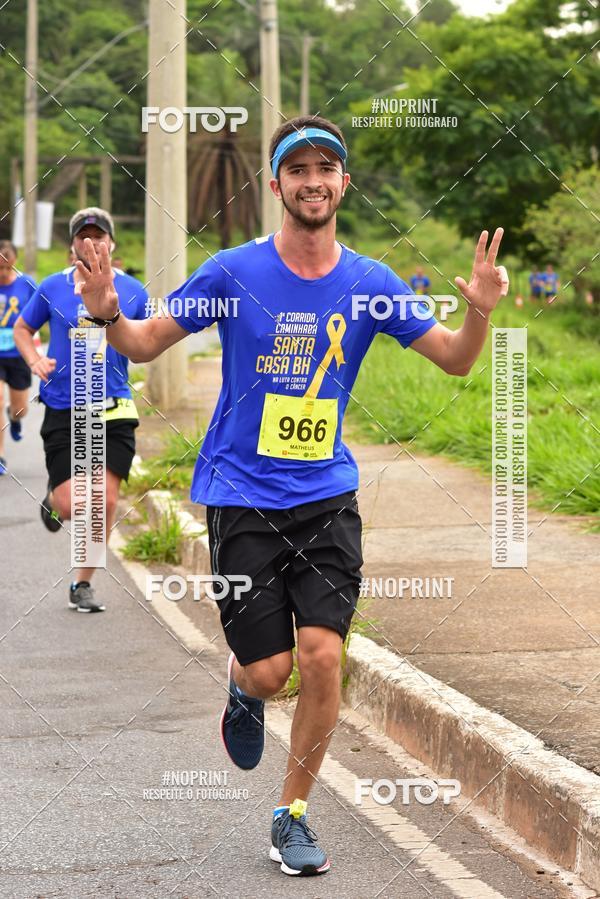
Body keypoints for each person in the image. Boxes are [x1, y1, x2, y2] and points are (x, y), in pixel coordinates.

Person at [72, 116, 507, 875]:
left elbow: (459, 362)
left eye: (325, 168)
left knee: (324, 655)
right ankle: (243, 686)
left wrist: (480, 308)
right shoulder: (233, 272)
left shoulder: (373, 283)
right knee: (272, 669)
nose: (313, 180)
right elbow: (141, 342)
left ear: (345, 183)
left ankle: (292, 813)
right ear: (276, 185)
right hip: (240, 493)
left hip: (327, 494)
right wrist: (109, 308)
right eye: (297, 169)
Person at [14, 207, 150, 612]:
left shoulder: (135, 290)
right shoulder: (52, 286)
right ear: (73, 244)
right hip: (62, 407)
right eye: (83, 236)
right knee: (72, 504)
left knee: (104, 501)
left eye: (99, 235)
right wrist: (34, 361)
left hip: (112, 408)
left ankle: (81, 584)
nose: (91, 243)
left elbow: (145, 341)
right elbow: (23, 329)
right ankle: (53, 501)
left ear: (112, 242)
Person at [0, 240, 37, 474]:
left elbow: (41, 313)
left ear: (14, 263)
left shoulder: (27, 285)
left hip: (18, 354)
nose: (3, 273)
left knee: (20, 409)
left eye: (7, 268)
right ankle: (1, 455)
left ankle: (14, 418)